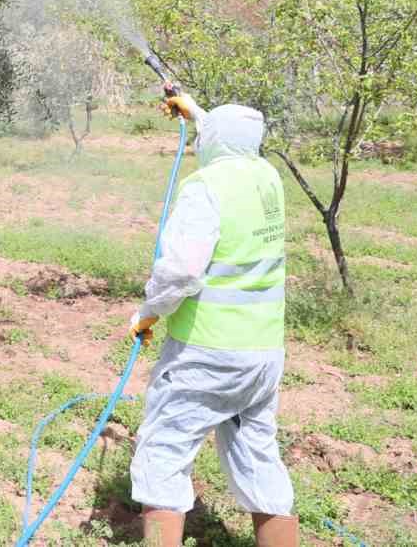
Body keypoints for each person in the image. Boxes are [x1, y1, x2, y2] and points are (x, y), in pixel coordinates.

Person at [126, 85, 299, 547]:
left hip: (205, 355)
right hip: (261, 357)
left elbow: (181, 271)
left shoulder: (205, 188)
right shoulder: (267, 177)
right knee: (258, 459)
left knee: (162, 457)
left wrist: (146, 314)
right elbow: (231, 139)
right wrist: (196, 109)